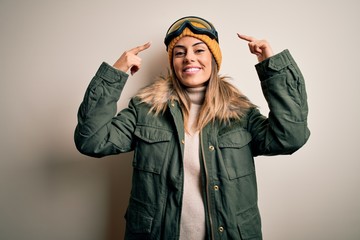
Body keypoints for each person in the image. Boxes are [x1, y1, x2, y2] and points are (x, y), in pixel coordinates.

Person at [74, 16, 310, 240]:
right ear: (172, 62)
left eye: (199, 50)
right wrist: (115, 73)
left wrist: (272, 67)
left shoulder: (240, 113)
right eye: (179, 53)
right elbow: (92, 140)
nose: (189, 58)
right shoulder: (145, 109)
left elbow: (290, 137)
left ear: (213, 60)